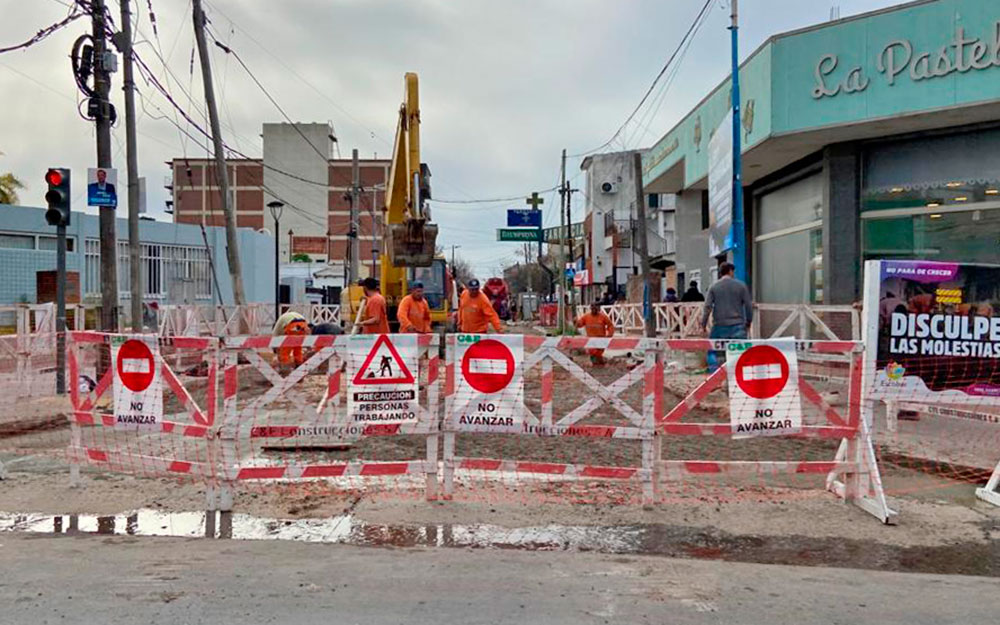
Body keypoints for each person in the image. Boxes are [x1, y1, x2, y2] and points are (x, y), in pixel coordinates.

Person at [701, 262, 752, 372]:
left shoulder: (713, 287)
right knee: (739, 354)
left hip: (719, 326)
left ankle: (714, 378)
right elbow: (748, 305)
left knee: (714, 351)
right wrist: (748, 322)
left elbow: (707, 307)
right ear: (730, 271)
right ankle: (738, 378)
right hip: (738, 325)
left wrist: (703, 324)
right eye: (733, 272)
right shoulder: (741, 286)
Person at [576, 301, 615, 366]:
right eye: (592, 308)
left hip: (601, 339)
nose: (594, 309)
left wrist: (610, 334)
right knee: (593, 353)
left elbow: (610, 325)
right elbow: (580, 324)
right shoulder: (586, 317)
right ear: (591, 308)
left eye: (595, 308)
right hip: (591, 340)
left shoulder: (603, 316)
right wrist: (576, 322)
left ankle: (600, 364)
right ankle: (598, 364)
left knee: (598, 354)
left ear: (598, 308)